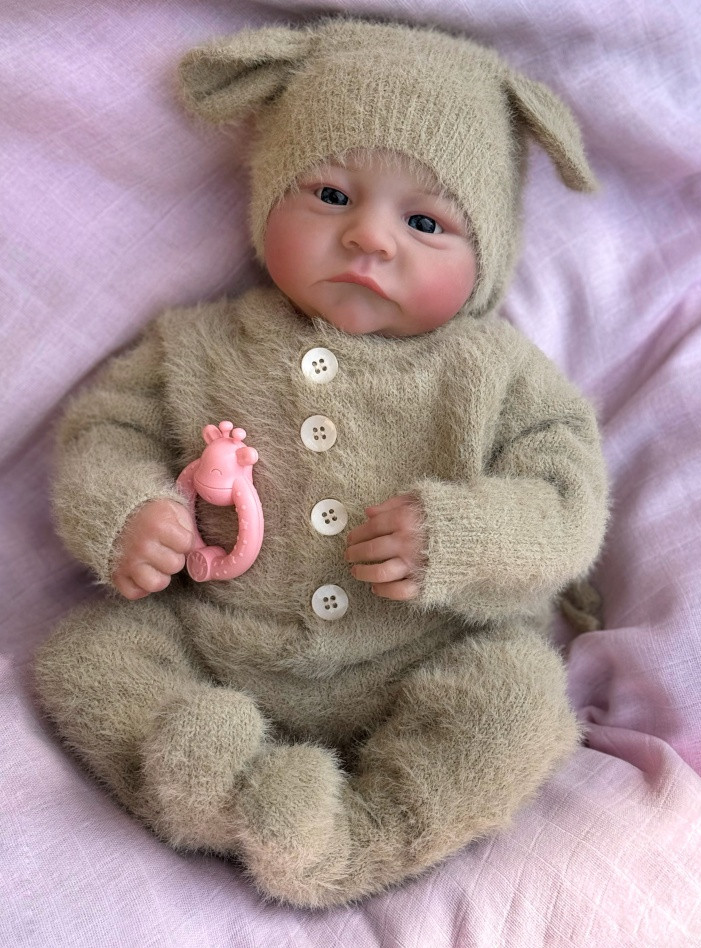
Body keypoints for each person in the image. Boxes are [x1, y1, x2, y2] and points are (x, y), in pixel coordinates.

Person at [34, 17, 608, 907]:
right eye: (332, 195)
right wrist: (128, 513)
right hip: (220, 647)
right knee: (87, 657)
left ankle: (354, 840)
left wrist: (464, 535)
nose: (370, 238)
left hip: (418, 656)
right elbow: (107, 431)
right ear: (269, 198)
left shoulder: (497, 373)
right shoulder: (197, 344)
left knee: (519, 701)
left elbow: (568, 500)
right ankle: (230, 791)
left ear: (487, 252)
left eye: (425, 221)